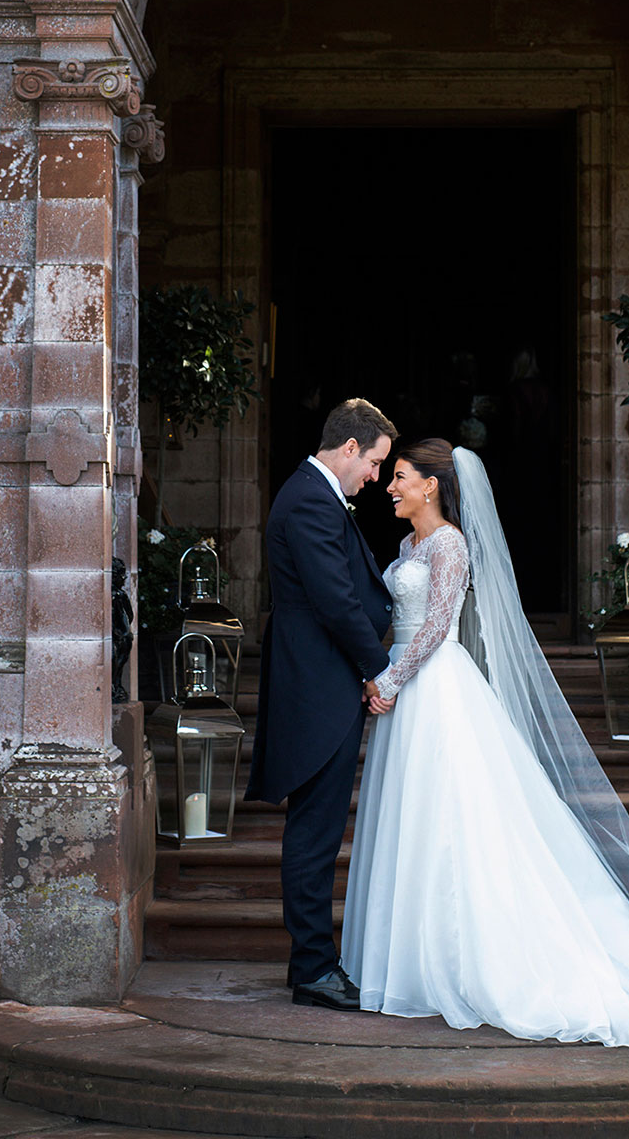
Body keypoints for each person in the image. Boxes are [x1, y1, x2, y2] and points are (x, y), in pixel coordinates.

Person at [341, 438, 629, 1047]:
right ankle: (408, 955)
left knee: (455, 819)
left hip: (434, 685)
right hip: (403, 690)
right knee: (412, 818)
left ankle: (464, 961)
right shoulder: (406, 545)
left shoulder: (452, 543)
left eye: (399, 476)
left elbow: (436, 626)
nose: (390, 486)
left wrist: (391, 679)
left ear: (431, 485)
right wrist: (378, 673)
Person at [246, 397, 398, 1011]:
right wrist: (380, 671)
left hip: (324, 686)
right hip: (317, 690)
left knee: (318, 830)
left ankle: (309, 963)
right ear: (351, 448)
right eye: (377, 463)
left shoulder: (315, 494)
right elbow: (336, 601)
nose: (377, 478)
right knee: (314, 835)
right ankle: (313, 968)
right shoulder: (310, 497)